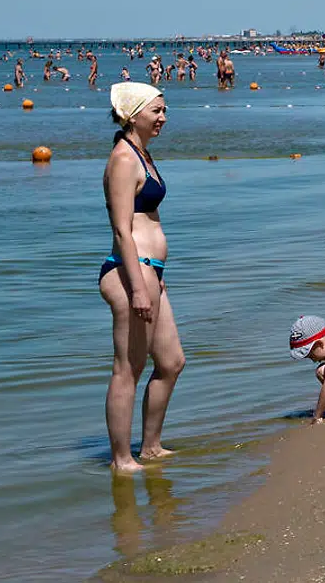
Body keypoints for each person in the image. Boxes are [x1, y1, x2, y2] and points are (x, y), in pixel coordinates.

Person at [99, 82, 184, 472]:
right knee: (128, 369)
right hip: (131, 272)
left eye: (164, 110)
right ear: (133, 115)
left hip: (152, 272)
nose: (163, 117)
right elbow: (122, 230)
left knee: (171, 362)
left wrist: (156, 278)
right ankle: (121, 460)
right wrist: (137, 288)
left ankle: (151, 447)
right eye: (156, 111)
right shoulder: (123, 159)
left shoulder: (142, 154)